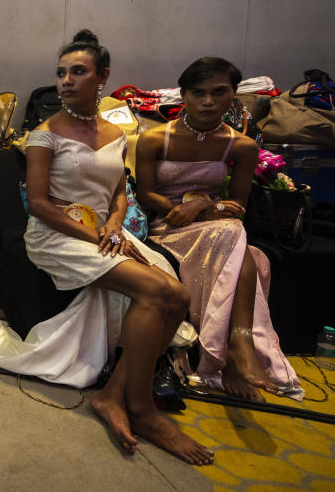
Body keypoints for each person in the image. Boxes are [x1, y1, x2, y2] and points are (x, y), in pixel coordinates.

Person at [23, 30, 212, 465]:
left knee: (179, 296)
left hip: (103, 230)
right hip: (57, 235)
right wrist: (98, 237)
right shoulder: (43, 134)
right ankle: (142, 409)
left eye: (78, 71)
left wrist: (113, 223)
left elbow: (119, 192)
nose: (66, 80)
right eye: (61, 73)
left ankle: (113, 395)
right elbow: (38, 205)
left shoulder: (114, 132)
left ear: (103, 77)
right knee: (155, 291)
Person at [136, 57, 303, 401]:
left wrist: (201, 206)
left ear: (233, 96)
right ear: (183, 95)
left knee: (250, 251)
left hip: (215, 225)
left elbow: (239, 205)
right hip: (167, 227)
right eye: (198, 93)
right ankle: (235, 349)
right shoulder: (154, 139)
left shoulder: (241, 145)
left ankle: (231, 350)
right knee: (242, 247)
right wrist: (177, 209)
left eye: (219, 92)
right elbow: (145, 194)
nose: (208, 101)